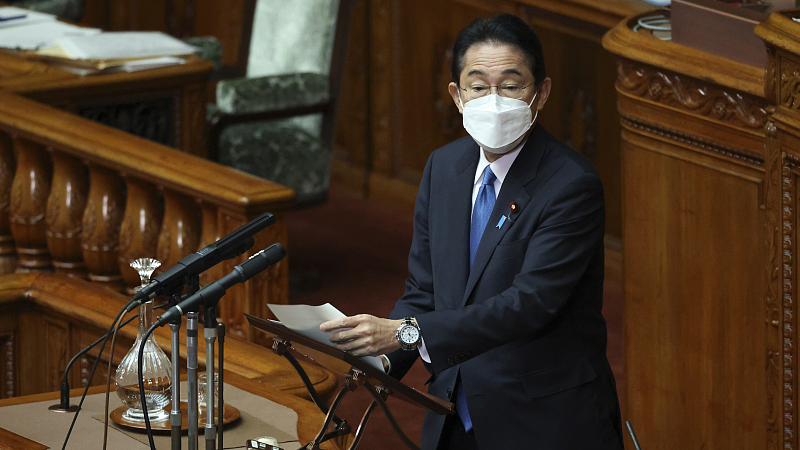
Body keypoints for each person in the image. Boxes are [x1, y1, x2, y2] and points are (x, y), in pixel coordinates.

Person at [320, 13, 623, 450]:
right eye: (478, 86)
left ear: (541, 93)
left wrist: (407, 332)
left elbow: (529, 304)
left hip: (541, 420)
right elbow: (425, 289)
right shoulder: (444, 167)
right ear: (457, 96)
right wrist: (380, 358)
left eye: (512, 85)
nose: (493, 99)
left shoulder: (571, 184)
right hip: (454, 414)